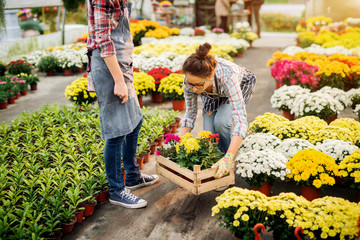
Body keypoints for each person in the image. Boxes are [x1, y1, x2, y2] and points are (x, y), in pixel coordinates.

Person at [86, 0, 158, 209]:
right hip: (110, 67)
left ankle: (132, 176)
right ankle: (117, 191)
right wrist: (118, 80)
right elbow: (103, 40)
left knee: (135, 122)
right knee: (116, 131)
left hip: (122, 63)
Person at [180, 43, 256, 178]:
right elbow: (190, 114)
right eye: (190, 84)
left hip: (239, 85)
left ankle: (226, 163)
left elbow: (241, 122)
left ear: (210, 76)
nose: (193, 89)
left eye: (197, 85)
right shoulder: (191, 82)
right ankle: (215, 162)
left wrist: (229, 156)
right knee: (208, 134)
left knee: (221, 122)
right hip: (212, 92)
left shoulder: (228, 76)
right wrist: (180, 143)